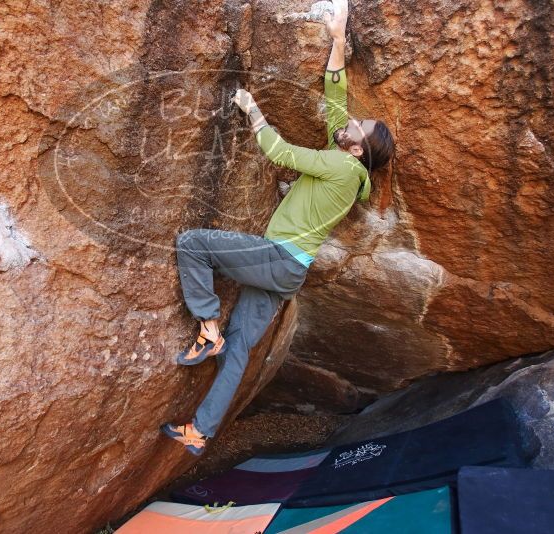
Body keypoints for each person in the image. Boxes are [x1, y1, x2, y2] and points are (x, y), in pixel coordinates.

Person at [161, 0, 395, 456]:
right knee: (240, 351)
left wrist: (252, 110)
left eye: (357, 128)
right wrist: (337, 38)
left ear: (356, 150)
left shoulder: (343, 170)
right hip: (284, 270)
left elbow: (282, 154)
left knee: (193, 244)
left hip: (278, 259)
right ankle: (200, 432)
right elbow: (334, 99)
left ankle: (207, 324)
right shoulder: (347, 163)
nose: (349, 122)